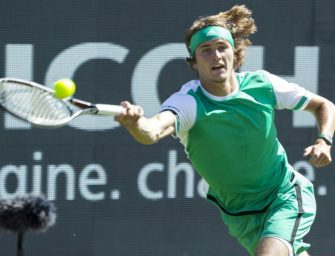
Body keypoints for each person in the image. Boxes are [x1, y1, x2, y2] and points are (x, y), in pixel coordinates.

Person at [115, 5, 334, 256]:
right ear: (194, 62)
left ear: (235, 53)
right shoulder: (189, 102)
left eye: (222, 47)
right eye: (206, 51)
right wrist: (135, 124)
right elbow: (152, 131)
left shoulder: (262, 85)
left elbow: (323, 105)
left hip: (284, 196)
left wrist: (324, 140)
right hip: (239, 216)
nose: (216, 56)